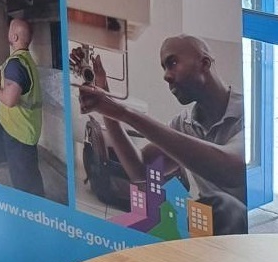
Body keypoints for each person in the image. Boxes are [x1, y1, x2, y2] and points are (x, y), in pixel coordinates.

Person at [74, 35, 246, 234]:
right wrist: (107, 109)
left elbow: (233, 170)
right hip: (210, 235)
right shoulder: (185, 123)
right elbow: (141, 171)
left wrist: (124, 112)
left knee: (226, 207)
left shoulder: (248, 113)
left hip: (250, 238)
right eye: (164, 67)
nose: (166, 76)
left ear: (204, 63)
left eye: (172, 63)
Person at [0, 18, 46, 198]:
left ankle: (32, 215)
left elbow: (10, 100)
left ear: (15, 35)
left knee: (24, 183)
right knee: (30, 176)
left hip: (19, 133)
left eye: (9, 30)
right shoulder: (26, 61)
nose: (7, 34)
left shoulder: (15, 64)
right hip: (27, 129)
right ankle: (38, 209)